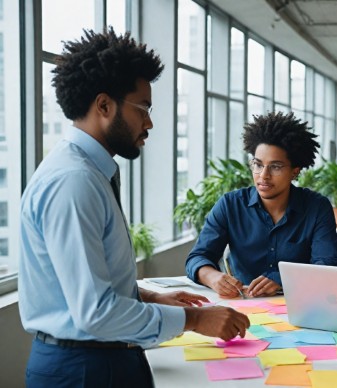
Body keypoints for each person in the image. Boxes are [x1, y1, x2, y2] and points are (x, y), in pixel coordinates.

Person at [19, 29, 249, 388]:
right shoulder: (74, 182)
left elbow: (83, 281)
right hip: (84, 368)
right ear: (105, 106)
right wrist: (194, 320)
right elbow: (95, 312)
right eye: (143, 108)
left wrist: (149, 297)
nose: (149, 122)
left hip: (102, 358)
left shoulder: (90, 171)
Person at [185, 111, 337, 298]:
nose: (263, 176)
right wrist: (212, 277)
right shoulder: (230, 205)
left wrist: (282, 279)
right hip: (244, 306)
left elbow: (328, 265)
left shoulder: (316, 207)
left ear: (294, 171)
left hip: (302, 303)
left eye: (275, 167)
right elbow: (197, 257)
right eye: (258, 165)